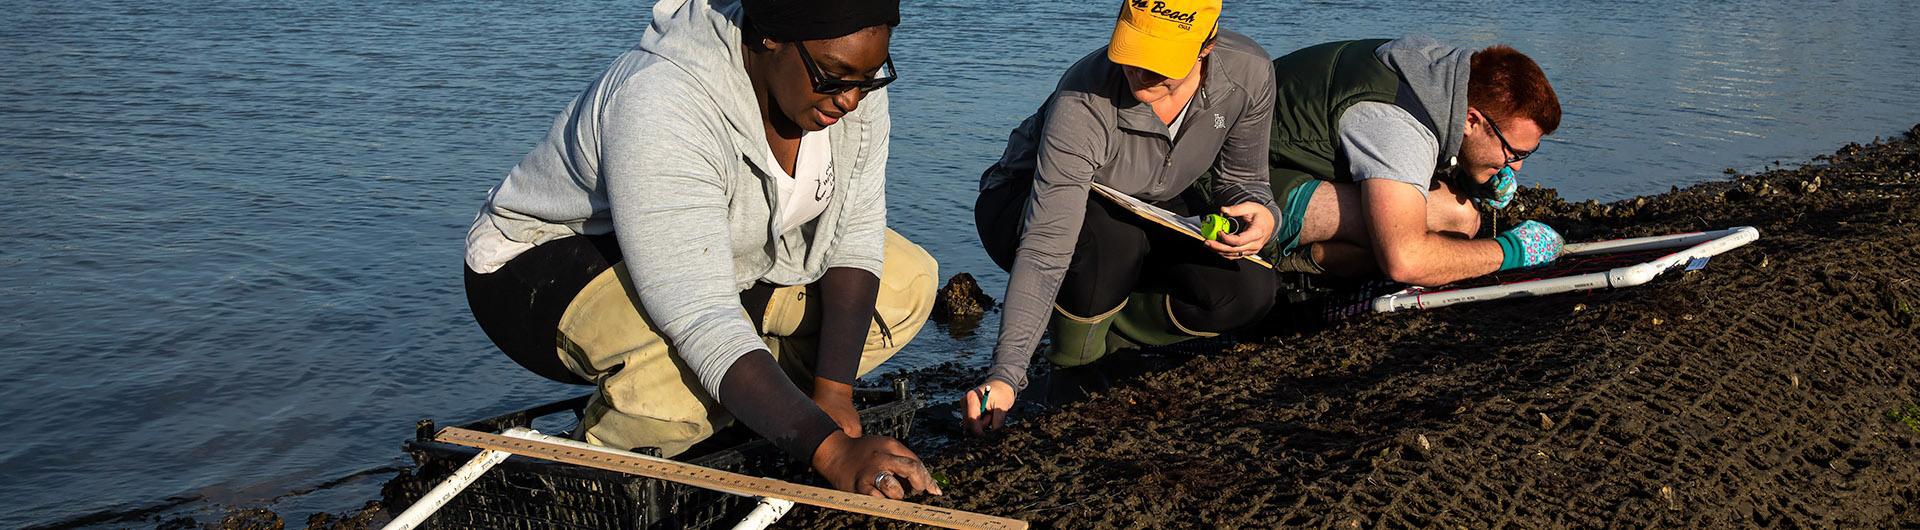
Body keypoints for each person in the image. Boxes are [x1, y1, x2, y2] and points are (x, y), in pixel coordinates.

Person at [462, 0, 941, 499]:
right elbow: (699, 313)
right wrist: (832, 453)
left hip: (733, 260)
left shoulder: (850, 87)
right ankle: (586, 480)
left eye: (870, 77)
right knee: (677, 395)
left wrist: (833, 397)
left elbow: (855, 235)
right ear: (770, 36)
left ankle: (752, 400)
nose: (851, 100)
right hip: (547, 266)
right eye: (836, 78)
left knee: (907, 285)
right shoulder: (661, 100)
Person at [962, 0, 1278, 434]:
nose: (1140, 70)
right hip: (1021, 203)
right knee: (1110, 241)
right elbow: (1044, 247)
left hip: (1150, 207)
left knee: (1250, 288)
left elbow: (1243, 181)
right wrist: (1006, 374)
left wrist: (1264, 214)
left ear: (1206, 45)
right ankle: (1073, 363)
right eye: (1132, 50)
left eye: (1159, 59)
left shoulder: (1250, 72)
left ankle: (1117, 337)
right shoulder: (1083, 99)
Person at [1259, 38, 1566, 287]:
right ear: (1472, 120)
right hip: (1244, 186)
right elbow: (1405, 260)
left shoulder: (1445, 75)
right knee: (1437, 225)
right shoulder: (1398, 128)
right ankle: (1288, 263)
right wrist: (1511, 252)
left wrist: (1470, 176)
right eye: (1514, 153)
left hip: (1291, 160)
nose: (1517, 167)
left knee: (1461, 217)